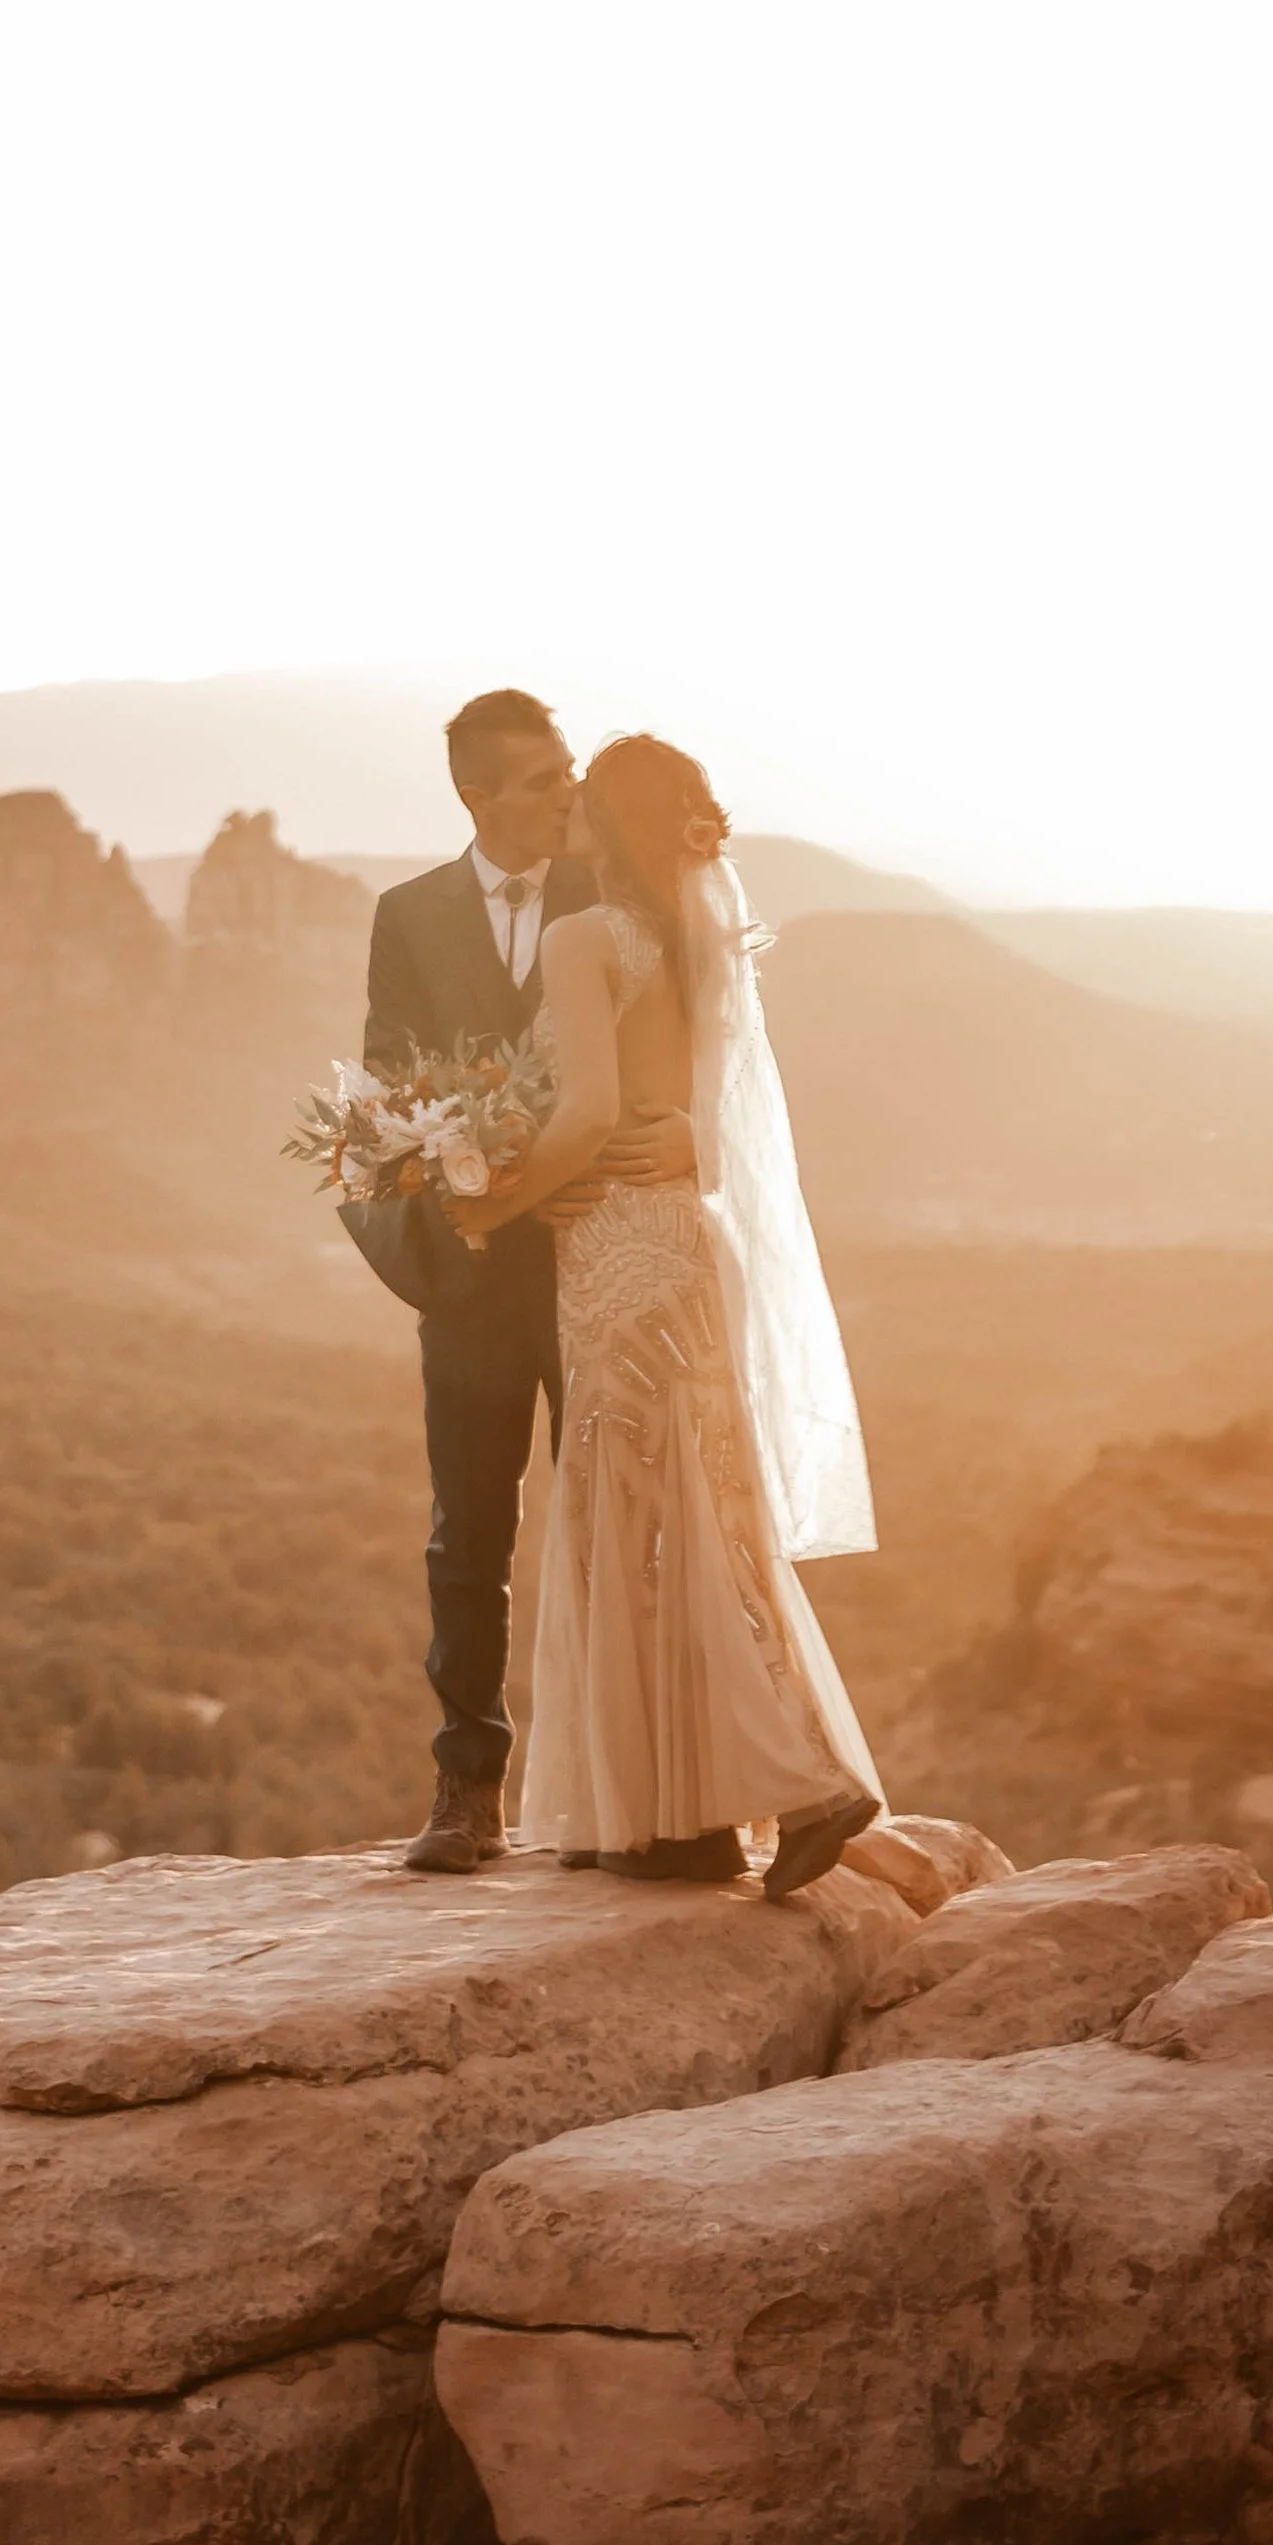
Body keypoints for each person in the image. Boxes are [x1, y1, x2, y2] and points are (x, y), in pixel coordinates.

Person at [450, 733, 883, 1899]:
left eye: (584, 797)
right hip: (691, 1240)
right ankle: (687, 1815)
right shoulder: (701, 941)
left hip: (619, 1249)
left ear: (607, 821)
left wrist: (491, 1200)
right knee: (700, 1507)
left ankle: (802, 1775)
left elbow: (589, 1113)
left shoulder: (585, 939)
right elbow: (719, 1100)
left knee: (638, 1511)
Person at [363, 690, 682, 1875]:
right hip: (475, 1272)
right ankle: (467, 1787)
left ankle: (632, 1791)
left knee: (622, 1525)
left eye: (567, 776)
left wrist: (693, 1131)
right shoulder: (406, 914)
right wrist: (458, 1175)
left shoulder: (615, 894)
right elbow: (390, 1075)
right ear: (474, 794)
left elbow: (694, 1030)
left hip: (608, 1260)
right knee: (468, 1535)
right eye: (544, 780)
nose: (567, 795)